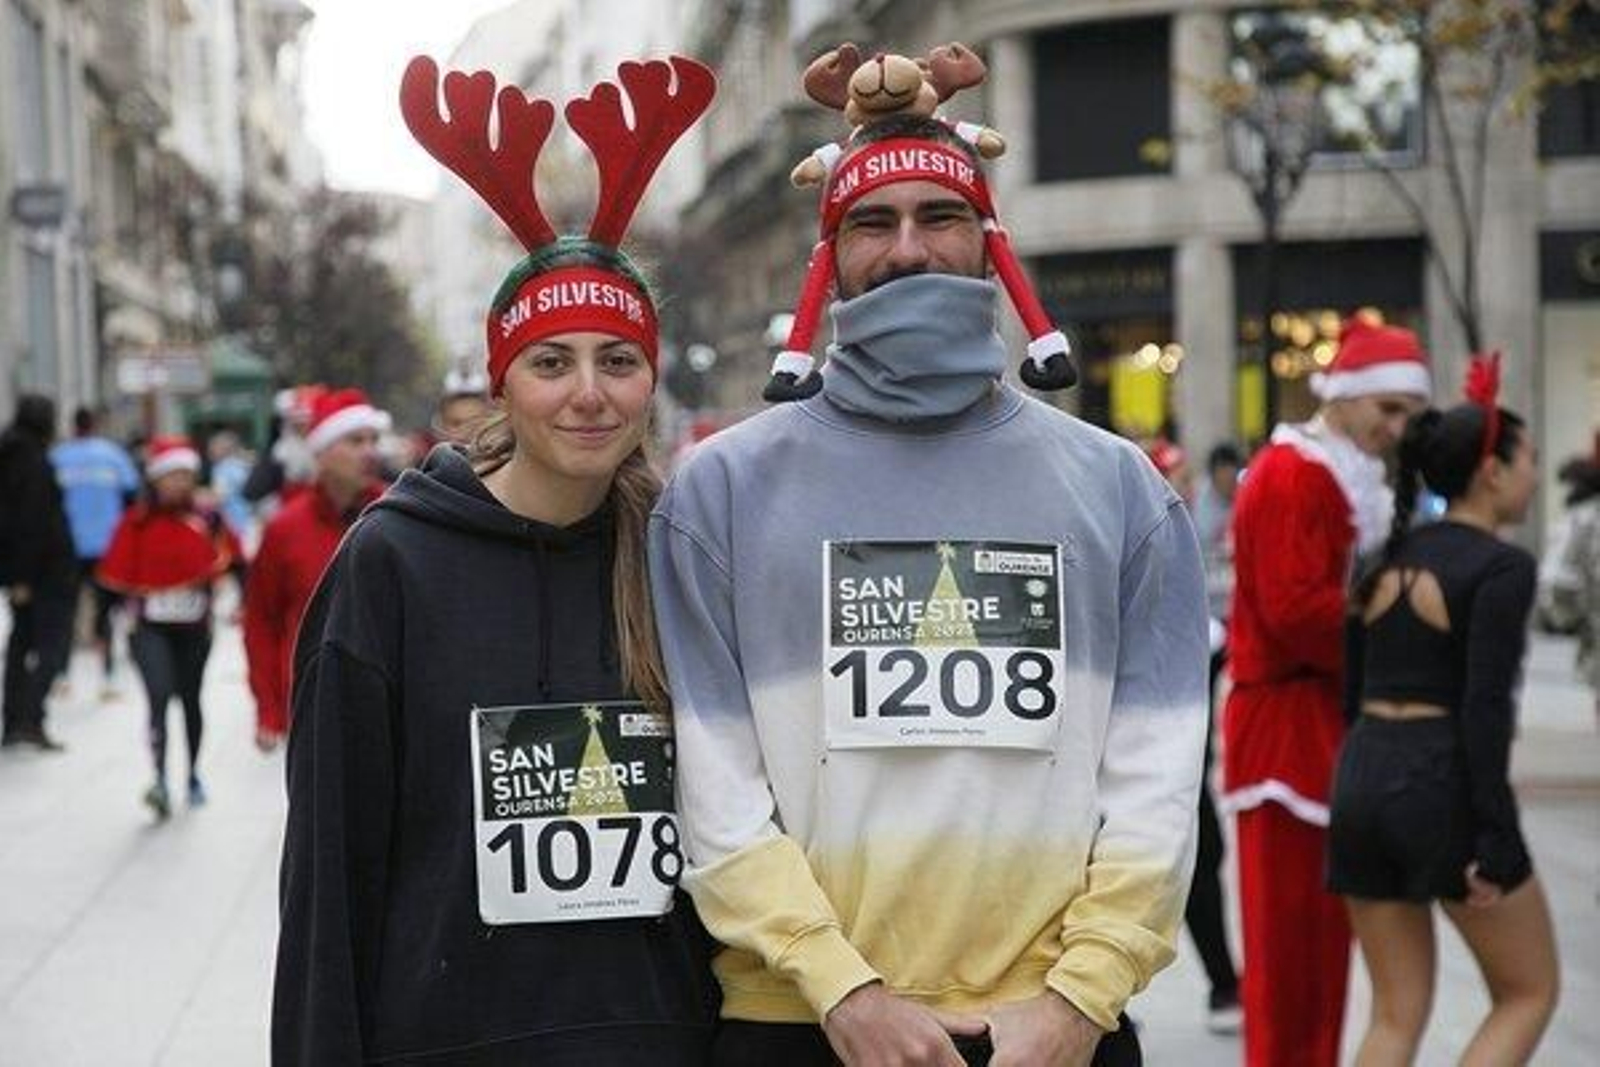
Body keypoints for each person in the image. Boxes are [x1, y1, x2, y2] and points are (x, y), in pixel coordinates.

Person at [651, 43, 1207, 1067]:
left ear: (989, 242)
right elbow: (712, 782)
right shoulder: (718, 491)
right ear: (830, 253)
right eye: (873, 222)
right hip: (800, 1024)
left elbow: (1159, 778)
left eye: (939, 215)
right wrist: (842, 988)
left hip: (1050, 1032)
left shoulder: (1121, 488)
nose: (907, 249)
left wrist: (1079, 999)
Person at [271, 54, 720, 1064]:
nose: (589, 393)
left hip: (658, 1041)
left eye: (618, 360)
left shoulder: (683, 552)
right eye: (551, 362)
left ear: (650, 378)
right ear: (500, 383)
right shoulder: (391, 562)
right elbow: (330, 872)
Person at [1330, 356, 1559, 1065]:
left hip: (1362, 779)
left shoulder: (1381, 557)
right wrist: (1497, 835)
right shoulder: (1501, 566)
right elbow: (1486, 711)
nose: (1535, 476)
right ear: (1491, 471)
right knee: (1529, 991)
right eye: (1528, 460)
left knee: (1393, 1016)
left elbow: (1350, 694)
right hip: (1438, 783)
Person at [1222, 317, 1431, 1067]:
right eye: (1389, 408)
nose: (1397, 429)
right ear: (1345, 395)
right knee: (1292, 962)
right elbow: (1297, 614)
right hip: (1286, 734)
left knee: (1317, 958)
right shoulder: (1295, 474)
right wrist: (1403, 639)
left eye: (1409, 414)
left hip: (1312, 727)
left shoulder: (1325, 470)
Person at [1144, 439, 1242, 1035]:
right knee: (1192, 865)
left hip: (1186, 761)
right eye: (1177, 478)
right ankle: (1224, 988)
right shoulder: (1140, 546)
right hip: (1144, 761)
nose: (1188, 488)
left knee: (1204, 862)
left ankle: (1225, 987)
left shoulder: (1184, 548)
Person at [97, 437, 245, 817]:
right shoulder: (135, 521)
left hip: (195, 625)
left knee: (191, 699)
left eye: (186, 474)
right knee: (159, 695)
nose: (180, 482)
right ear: (156, 479)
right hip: (149, 627)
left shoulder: (208, 518)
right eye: (172, 475)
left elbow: (237, 561)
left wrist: (242, 599)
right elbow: (113, 578)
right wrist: (103, 631)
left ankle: (192, 774)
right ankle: (160, 779)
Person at [243, 388, 389, 753]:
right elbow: (261, 621)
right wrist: (268, 711)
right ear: (321, 452)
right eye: (355, 441)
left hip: (391, 705)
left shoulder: (400, 515)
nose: (369, 451)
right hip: (311, 705)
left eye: (373, 440)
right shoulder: (283, 529)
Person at [0, 394, 75, 751]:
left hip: (26, 571)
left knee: (21, 643)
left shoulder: (11, 455)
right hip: (43, 574)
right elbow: (30, 523)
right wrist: (23, 577)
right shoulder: (30, 462)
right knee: (51, 647)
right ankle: (29, 718)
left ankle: (16, 720)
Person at [50, 406, 141, 694]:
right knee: (106, 613)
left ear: (73, 426)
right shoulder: (112, 455)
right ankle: (107, 676)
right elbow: (132, 493)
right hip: (107, 545)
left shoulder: (58, 457)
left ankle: (61, 675)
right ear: (95, 425)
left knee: (66, 611)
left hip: (68, 547)